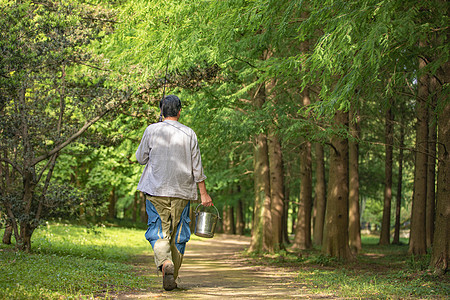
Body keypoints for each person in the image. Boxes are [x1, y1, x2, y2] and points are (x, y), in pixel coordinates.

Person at [135, 94, 213, 291]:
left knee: (159, 232)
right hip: (182, 192)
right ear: (179, 111)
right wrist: (203, 194)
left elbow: (140, 158)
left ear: (162, 111)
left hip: (155, 190)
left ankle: (164, 263)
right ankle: (173, 276)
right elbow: (197, 167)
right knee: (179, 235)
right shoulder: (190, 134)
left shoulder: (151, 130)